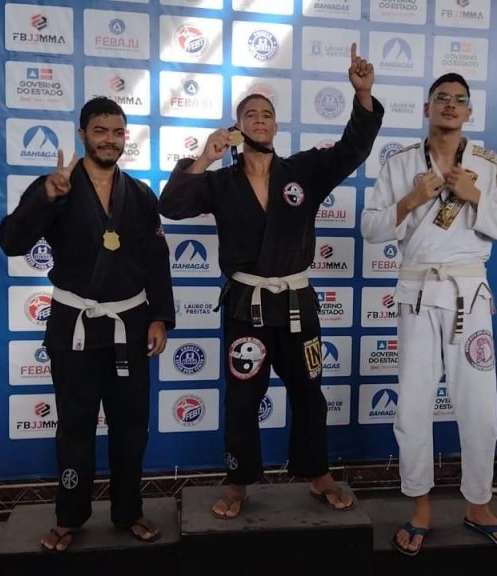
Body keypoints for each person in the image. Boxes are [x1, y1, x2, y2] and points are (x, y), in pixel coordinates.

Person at [159, 43, 383, 519]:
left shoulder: (303, 170)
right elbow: (171, 205)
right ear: (238, 128)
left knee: (309, 391)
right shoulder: (220, 182)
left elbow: (353, 149)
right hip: (247, 304)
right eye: (250, 114)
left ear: (276, 126)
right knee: (244, 396)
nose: (260, 120)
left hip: (298, 303)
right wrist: (205, 157)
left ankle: (318, 473)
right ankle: (238, 480)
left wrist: (363, 95)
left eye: (267, 114)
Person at [0, 97, 175, 551]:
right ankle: (69, 516)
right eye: (100, 131)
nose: (110, 140)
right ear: (82, 135)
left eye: (117, 132)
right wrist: (46, 197)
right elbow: (11, 241)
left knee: (131, 428)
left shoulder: (140, 195)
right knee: (74, 427)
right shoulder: (57, 187)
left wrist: (160, 316)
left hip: (129, 325)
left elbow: (157, 259)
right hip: (73, 324)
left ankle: (128, 511)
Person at [361, 73, 497, 557]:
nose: (450, 105)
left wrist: (475, 196)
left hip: (468, 295)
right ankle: (420, 508)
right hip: (416, 294)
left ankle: (479, 504)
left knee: (479, 406)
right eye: (441, 98)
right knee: (413, 405)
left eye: (459, 100)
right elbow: (370, 228)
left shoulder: (487, 165)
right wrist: (414, 198)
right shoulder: (401, 164)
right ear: (426, 108)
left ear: (469, 112)